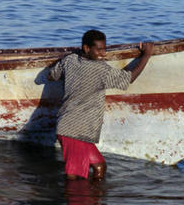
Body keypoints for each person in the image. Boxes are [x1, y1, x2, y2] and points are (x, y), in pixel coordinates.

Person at [49, 29, 154, 180]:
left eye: (104, 49)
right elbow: (129, 78)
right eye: (99, 49)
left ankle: (95, 201)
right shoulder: (101, 70)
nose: (103, 53)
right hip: (75, 132)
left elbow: (52, 75)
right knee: (76, 180)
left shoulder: (70, 60)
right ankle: (76, 202)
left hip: (69, 127)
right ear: (86, 48)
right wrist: (146, 55)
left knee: (100, 167)